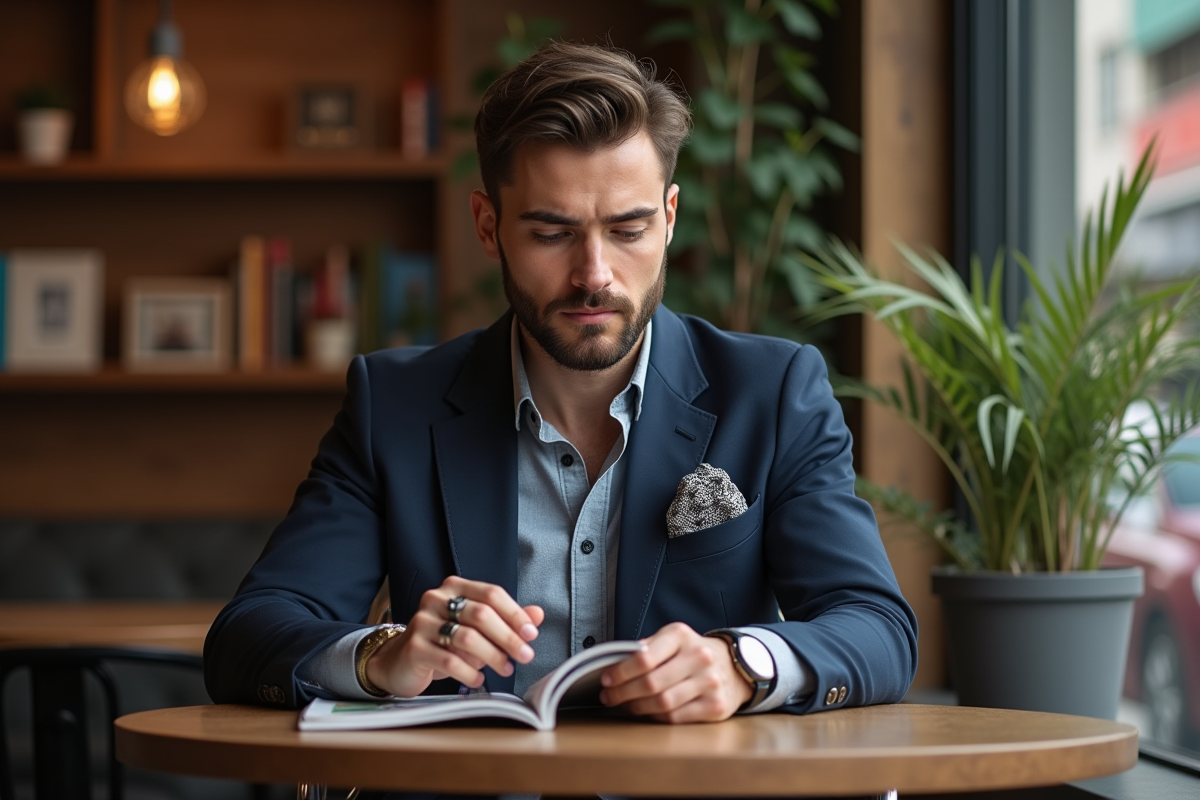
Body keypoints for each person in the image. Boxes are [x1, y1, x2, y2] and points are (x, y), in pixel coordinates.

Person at [204, 42, 917, 730]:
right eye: (552, 234)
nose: (594, 275)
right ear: (490, 227)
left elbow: (879, 629)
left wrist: (744, 665)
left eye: (629, 229)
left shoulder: (774, 391)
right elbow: (248, 637)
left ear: (669, 220)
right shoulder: (393, 405)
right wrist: (381, 654)